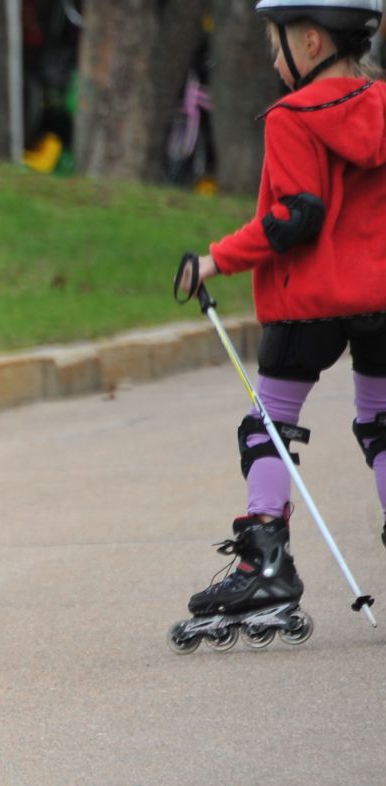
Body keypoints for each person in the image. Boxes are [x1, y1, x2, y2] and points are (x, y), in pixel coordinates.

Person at [177, 0, 386, 643]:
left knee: (268, 422)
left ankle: (264, 560)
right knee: (381, 422)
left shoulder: (293, 117)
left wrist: (214, 260)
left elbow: (296, 217)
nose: (274, 59)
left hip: (309, 304)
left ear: (313, 39)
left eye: (279, 44)